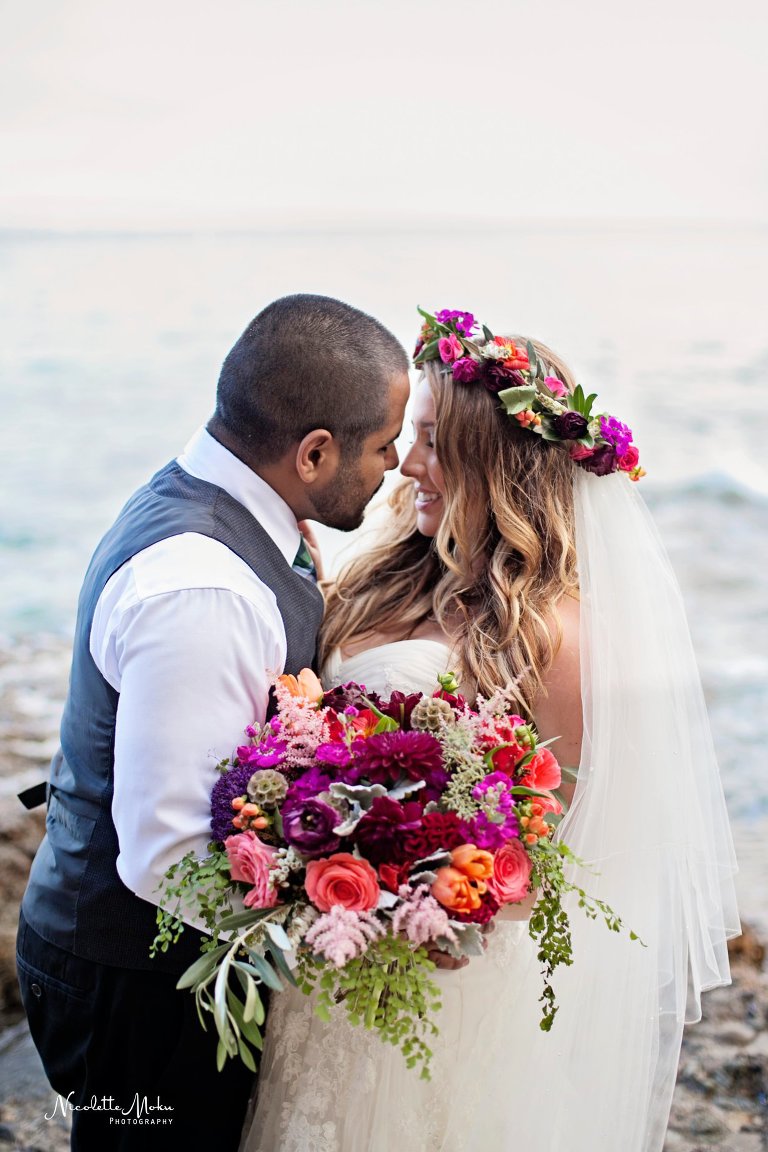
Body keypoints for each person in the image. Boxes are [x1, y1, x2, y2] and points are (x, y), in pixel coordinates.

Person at [242, 308, 739, 1152]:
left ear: (495, 462)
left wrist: (418, 887)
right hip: (327, 947)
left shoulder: (559, 637)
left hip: (446, 984)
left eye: (433, 440)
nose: (407, 463)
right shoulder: (378, 580)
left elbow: (574, 855)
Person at [15, 293, 410, 1151]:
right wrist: (347, 929)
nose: (396, 466)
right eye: (383, 446)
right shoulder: (205, 590)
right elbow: (166, 855)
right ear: (314, 453)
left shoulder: (218, 497)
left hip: (138, 965)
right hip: (133, 988)